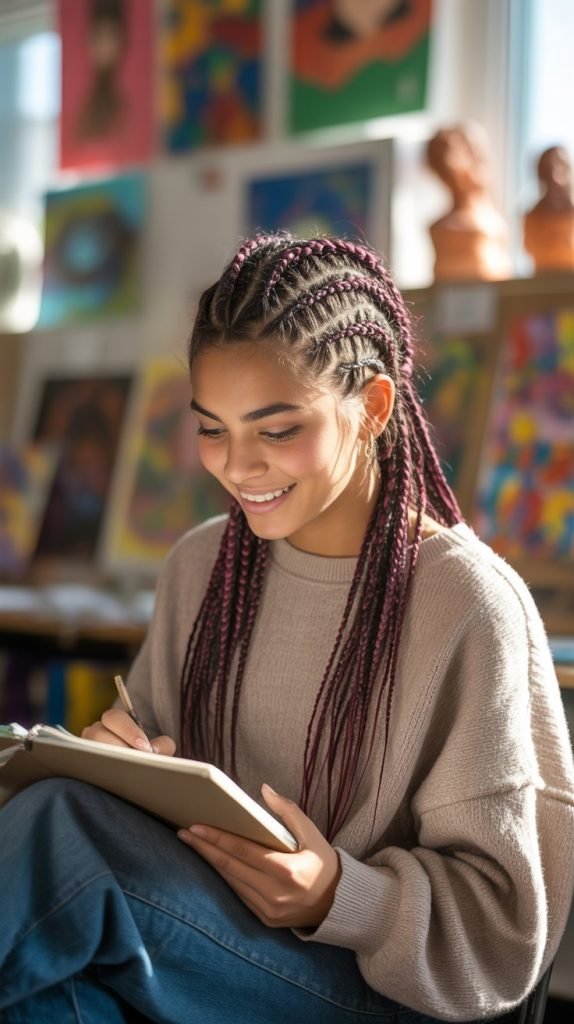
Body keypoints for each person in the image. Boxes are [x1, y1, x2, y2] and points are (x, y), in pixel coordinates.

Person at [1, 234, 573, 1024]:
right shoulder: (202, 566)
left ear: (372, 407)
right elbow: (157, 788)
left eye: (276, 431)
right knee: (53, 985)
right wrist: (113, 763)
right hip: (207, 945)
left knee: (62, 830)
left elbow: (505, 932)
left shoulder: (469, 603)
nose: (238, 468)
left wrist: (342, 893)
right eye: (212, 429)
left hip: (373, 987)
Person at [425, 123, 511, 281]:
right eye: (472, 154)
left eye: (480, 154)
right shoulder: (451, 228)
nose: (482, 163)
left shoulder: (490, 217)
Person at [523, 145, 574, 272]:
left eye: (561, 165)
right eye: (551, 167)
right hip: (542, 282)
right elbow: (529, 246)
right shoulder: (533, 216)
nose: (556, 173)